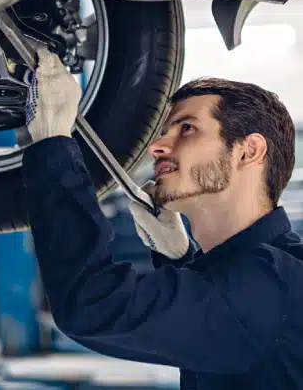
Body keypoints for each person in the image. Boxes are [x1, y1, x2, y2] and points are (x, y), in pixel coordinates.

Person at [22, 48, 303, 390]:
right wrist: (181, 259)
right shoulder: (275, 276)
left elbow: (92, 305)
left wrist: (53, 143)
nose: (157, 146)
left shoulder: (271, 284)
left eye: (187, 129)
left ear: (248, 151)